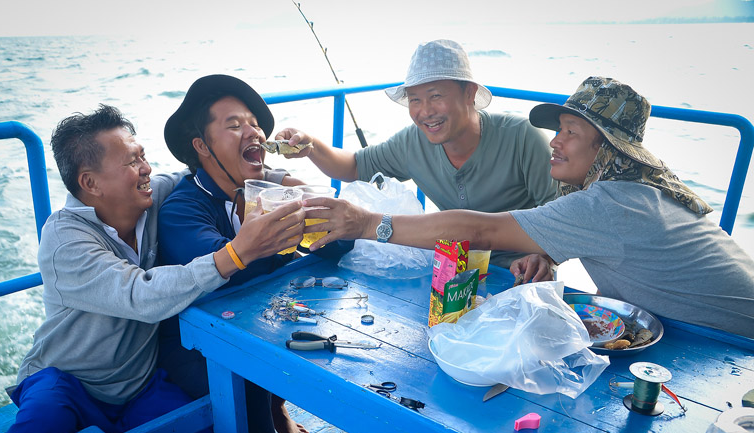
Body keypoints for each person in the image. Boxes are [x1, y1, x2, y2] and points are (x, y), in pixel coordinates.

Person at [0, 104, 305, 433]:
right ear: (90, 182)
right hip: (69, 380)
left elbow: (203, 172)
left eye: (142, 156)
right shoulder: (64, 239)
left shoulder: (152, 197)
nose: (145, 168)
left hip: (138, 384)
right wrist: (236, 253)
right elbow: (138, 295)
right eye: (131, 161)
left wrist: (278, 168)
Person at [301, 77, 754, 338]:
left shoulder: (611, 202)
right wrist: (545, 249)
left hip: (732, 347)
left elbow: (480, 231)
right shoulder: (630, 189)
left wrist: (366, 223)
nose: (555, 142)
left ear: (607, 149)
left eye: (572, 132)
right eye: (560, 129)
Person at [158, 75, 350, 433]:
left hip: (265, 320)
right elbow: (223, 272)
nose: (254, 133)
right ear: (201, 146)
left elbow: (339, 243)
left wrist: (306, 200)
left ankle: (275, 404)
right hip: (200, 343)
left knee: (329, 312)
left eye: (255, 125)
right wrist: (276, 232)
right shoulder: (183, 209)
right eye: (233, 125)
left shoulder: (272, 191)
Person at [276, 39, 557, 275]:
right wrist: (311, 147)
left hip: (520, 273)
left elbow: (562, 220)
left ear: (470, 93)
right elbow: (355, 166)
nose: (425, 112)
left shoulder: (523, 137)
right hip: (454, 270)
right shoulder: (414, 140)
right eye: (414, 100)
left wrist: (543, 258)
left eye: (435, 96)